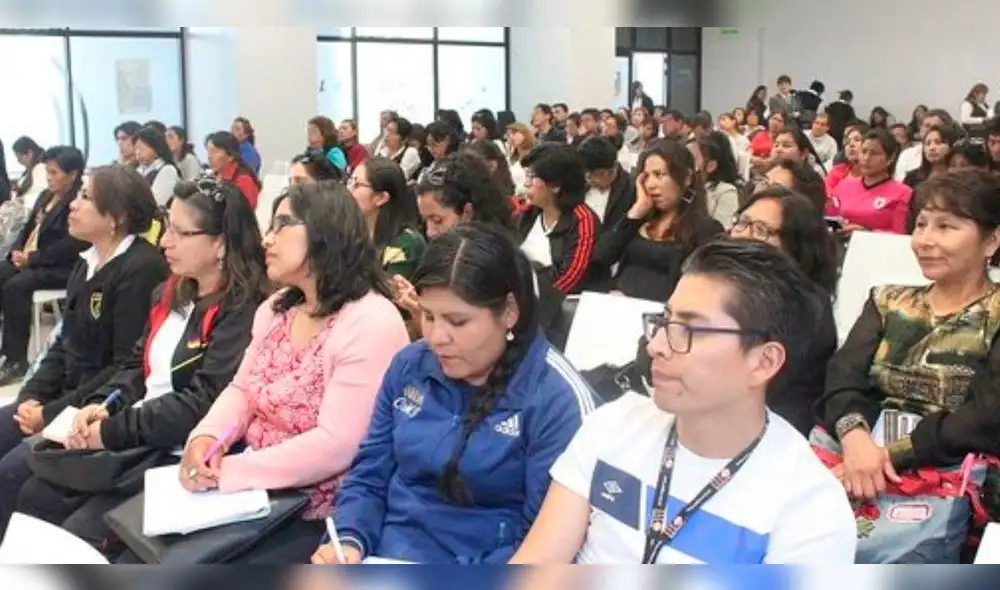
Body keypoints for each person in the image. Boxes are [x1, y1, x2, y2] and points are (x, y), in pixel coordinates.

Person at [510, 238, 857, 564]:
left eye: (688, 330)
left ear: (763, 362)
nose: (656, 345)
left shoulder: (809, 510)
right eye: (664, 321)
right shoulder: (612, 426)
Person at [12, 177, 268, 557]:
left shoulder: (243, 309)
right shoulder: (175, 293)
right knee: (32, 494)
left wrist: (111, 431)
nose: (165, 241)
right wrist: (102, 404)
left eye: (181, 233)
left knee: (80, 531)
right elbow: (137, 366)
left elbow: (200, 401)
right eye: (167, 227)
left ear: (221, 243)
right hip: (138, 432)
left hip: (179, 451)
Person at [311, 223, 596, 564]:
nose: (436, 337)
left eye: (457, 322)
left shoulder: (555, 399)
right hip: (382, 555)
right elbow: (370, 472)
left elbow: (542, 538)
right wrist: (349, 540)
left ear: (509, 311)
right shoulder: (409, 366)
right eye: (428, 316)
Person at [176, 181, 410, 563]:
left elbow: (337, 446)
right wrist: (205, 439)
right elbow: (242, 390)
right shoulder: (276, 309)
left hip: (322, 512)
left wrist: (231, 471)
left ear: (325, 231)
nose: (268, 239)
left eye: (283, 224)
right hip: (255, 490)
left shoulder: (369, 320)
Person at [0, 165, 168, 535]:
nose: (73, 206)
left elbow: (125, 366)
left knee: (11, 474)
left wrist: (50, 414)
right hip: (61, 397)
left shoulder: (140, 270)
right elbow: (63, 344)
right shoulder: (87, 262)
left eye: (86, 198)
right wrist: (31, 397)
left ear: (116, 217)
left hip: (92, 410)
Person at [818, 169, 1000, 498]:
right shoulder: (887, 301)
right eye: (921, 224)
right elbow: (843, 376)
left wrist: (888, 455)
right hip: (856, 461)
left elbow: (986, 416)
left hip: (954, 484)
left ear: (991, 241)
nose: (925, 240)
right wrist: (856, 440)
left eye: (945, 226)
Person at [730, 187, 839, 433]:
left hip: (769, 427)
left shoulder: (806, 305)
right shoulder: (720, 283)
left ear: (793, 245)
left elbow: (756, 381)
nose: (743, 236)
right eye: (742, 223)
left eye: (760, 230)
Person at [0, 146, 90, 385]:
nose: (49, 178)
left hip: (62, 266)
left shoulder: (78, 203)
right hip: (34, 259)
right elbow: (27, 229)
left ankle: (16, 359)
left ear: (72, 174)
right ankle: (6, 347)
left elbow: (70, 246)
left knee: (15, 287)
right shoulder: (45, 196)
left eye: (54, 173)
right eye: (47, 172)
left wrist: (32, 258)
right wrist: (17, 252)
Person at [593, 140, 723, 302]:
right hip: (618, 306)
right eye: (646, 176)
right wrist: (636, 211)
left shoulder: (706, 229)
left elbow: (702, 291)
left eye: (659, 175)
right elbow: (601, 256)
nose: (651, 184)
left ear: (687, 178)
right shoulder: (640, 220)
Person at [516, 143, 602, 295]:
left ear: (556, 185)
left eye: (532, 177)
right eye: (526, 175)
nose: (526, 183)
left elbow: (568, 280)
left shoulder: (583, 220)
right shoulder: (530, 211)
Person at [347, 156, 426, 281]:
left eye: (357, 184)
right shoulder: (352, 233)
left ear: (381, 198)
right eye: (350, 181)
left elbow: (390, 295)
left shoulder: (406, 245)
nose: (348, 189)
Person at [576, 136, 636, 232]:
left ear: (614, 167)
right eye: (587, 174)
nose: (591, 179)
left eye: (596, 174)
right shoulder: (577, 185)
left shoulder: (632, 190)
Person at [205, 131, 261, 209]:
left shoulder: (244, 181)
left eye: (215, 152)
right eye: (209, 152)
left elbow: (245, 216)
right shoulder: (213, 177)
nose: (210, 157)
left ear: (230, 156)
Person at [133, 125, 181, 206]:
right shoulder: (138, 170)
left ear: (155, 148)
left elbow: (156, 202)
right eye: (136, 148)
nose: (137, 152)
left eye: (141, 148)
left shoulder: (168, 170)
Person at [11, 137, 47, 210]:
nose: (18, 161)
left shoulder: (41, 168)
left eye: (19, 157)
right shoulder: (30, 169)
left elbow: (39, 194)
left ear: (30, 154)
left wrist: (22, 199)